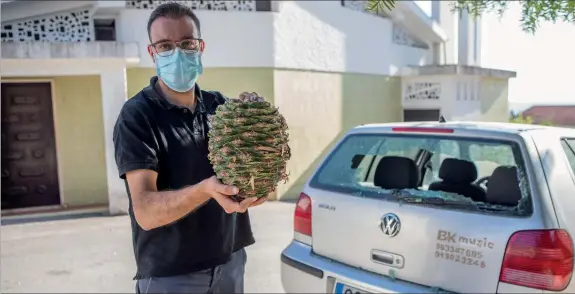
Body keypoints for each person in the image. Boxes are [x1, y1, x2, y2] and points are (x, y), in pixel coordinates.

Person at [112, 2, 268, 293]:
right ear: (152, 53)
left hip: (230, 262)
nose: (178, 53)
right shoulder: (137, 116)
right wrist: (205, 189)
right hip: (172, 275)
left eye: (186, 43)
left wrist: (258, 180)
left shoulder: (220, 107)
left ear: (200, 47)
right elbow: (145, 211)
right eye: (165, 46)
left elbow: (248, 168)